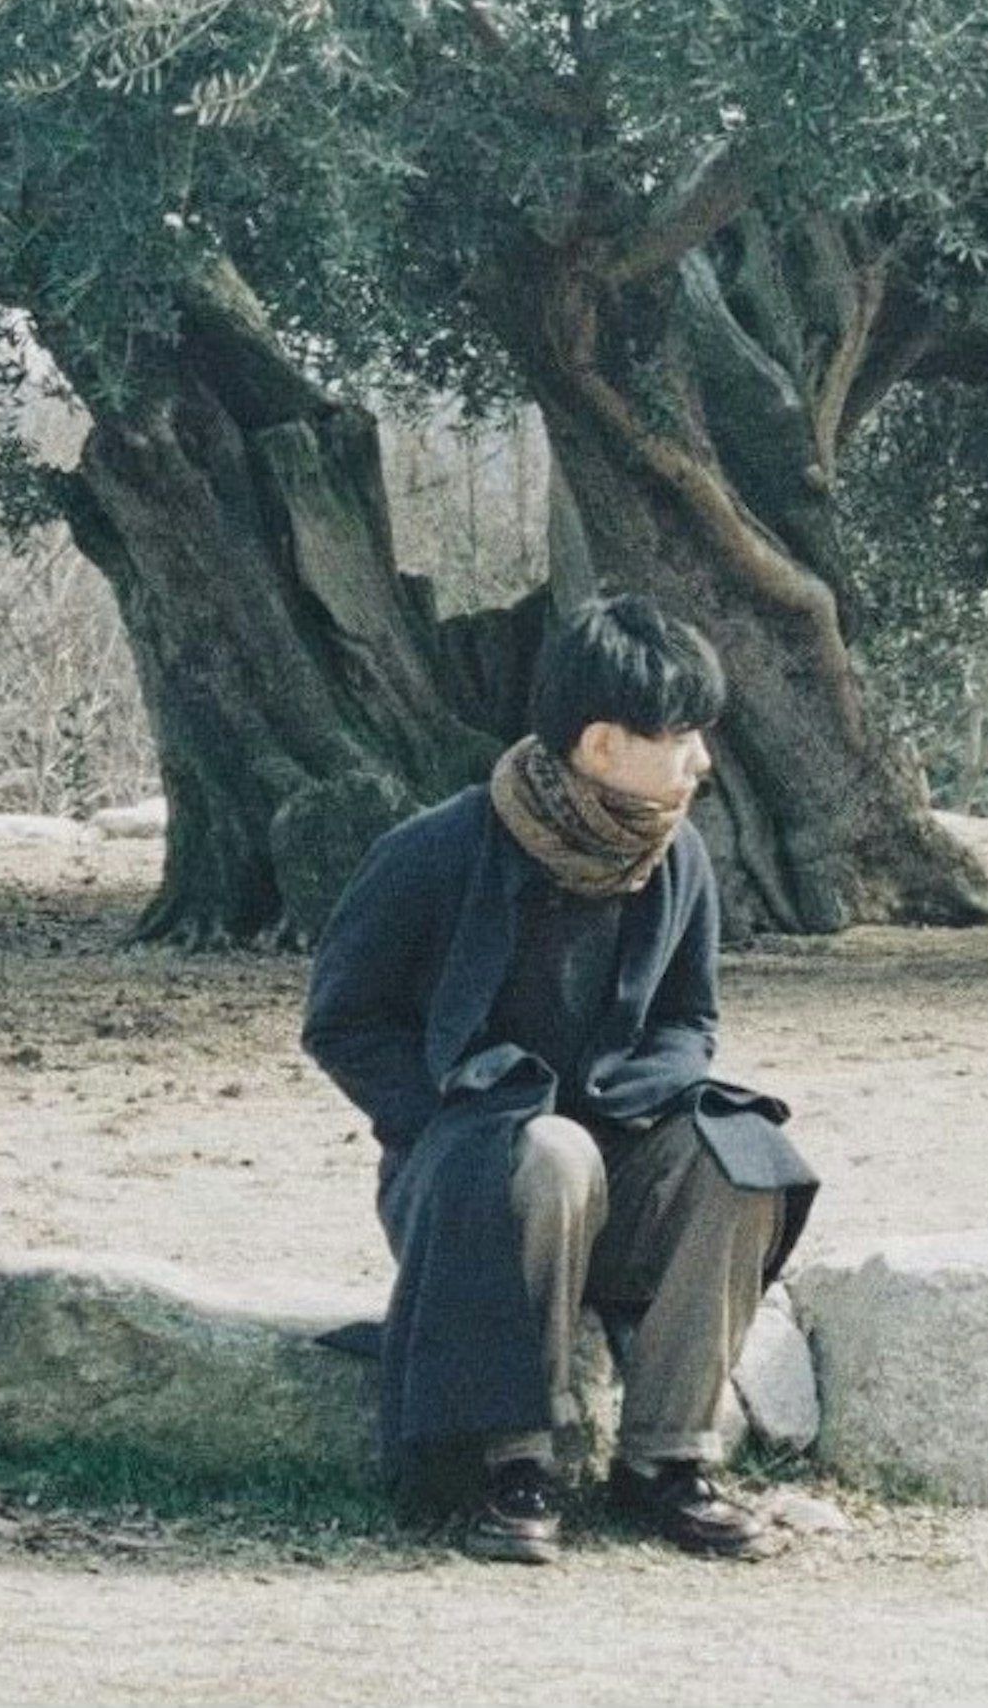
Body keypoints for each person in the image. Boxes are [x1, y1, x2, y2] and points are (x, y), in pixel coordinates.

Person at [299, 593, 818, 1563]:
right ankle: (516, 1459)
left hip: (619, 1157)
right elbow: (343, 1020)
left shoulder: (680, 857)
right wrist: (447, 1118)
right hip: (474, 1181)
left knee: (747, 1158)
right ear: (602, 743)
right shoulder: (434, 851)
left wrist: (644, 1097)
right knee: (550, 1147)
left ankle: (667, 1459)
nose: (703, 757)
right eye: (683, 734)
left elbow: (688, 1018)